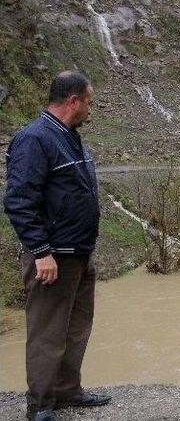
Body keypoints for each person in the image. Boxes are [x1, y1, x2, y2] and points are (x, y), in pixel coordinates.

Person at [3, 71, 111, 421]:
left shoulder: (70, 137)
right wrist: (41, 251)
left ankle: (67, 391)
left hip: (80, 253)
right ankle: (41, 405)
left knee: (77, 327)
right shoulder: (34, 139)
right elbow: (19, 200)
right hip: (52, 257)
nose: (91, 110)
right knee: (47, 331)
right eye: (89, 103)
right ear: (73, 101)